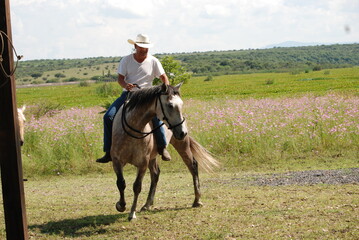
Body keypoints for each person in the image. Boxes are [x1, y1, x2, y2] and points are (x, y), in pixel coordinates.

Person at [96, 34, 171, 163]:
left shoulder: (153, 61)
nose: (144, 50)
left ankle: (162, 147)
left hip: (148, 96)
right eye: (141, 47)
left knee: (157, 118)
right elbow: (120, 79)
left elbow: (164, 78)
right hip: (129, 94)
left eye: (146, 48)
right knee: (108, 117)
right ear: (135, 46)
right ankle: (108, 151)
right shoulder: (126, 60)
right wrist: (126, 85)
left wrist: (166, 90)